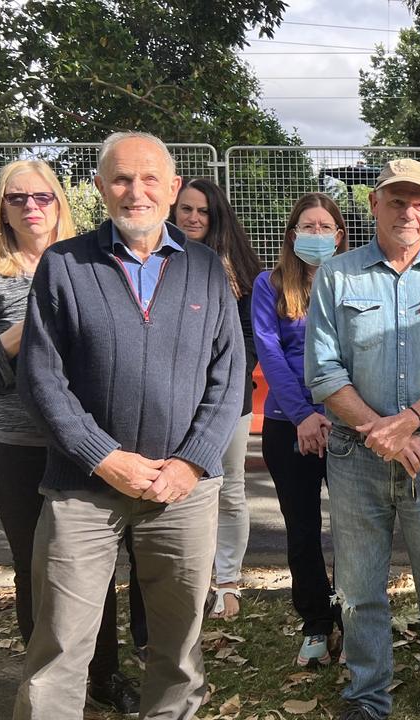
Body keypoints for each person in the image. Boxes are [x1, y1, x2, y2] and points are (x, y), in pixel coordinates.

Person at [13, 131, 245, 719]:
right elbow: (43, 378)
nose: (134, 191)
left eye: (149, 180)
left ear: (172, 190)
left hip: (183, 492)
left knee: (178, 649)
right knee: (60, 648)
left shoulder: (206, 271)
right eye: (120, 178)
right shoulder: (65, 265)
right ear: (98, 187)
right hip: (82, 488)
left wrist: (192, 461)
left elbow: (229, 375)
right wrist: (103, 456)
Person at [306, 158, 420, 720]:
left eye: (418, 202)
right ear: (375, 205)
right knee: (360, 589)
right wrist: (380, 432)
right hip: (356, 458)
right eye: (395, 200)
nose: (406, 211)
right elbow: (323, 371)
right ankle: (366, 696)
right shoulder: (337, 276)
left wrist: (407, 422)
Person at [0, 160, 140, 714]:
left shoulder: (89, 261)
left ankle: (105, 675)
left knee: (94, 567)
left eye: (43, 196)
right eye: (17, 198)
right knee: (37, 569)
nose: (32, 207)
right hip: (20, 447)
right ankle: (47, 685)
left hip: (88, 442)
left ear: (60, 201)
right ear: (2, 208)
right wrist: (30, 327)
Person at [253, 193, 349, 666]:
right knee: (303, 531)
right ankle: (315, 621)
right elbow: (269, 353)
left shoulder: (353, 282)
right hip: (288, 424)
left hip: (345, 423)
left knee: (354, 530)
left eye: (324, 226)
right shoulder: (268, 284)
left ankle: (351, 616)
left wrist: (334, 410)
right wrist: (303, 415)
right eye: (306, 226)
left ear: (339, 235)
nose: (316, 235)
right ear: (293, 235)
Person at [171, 177, 262, 621]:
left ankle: (227, 582)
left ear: (216, 216)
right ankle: (195, 580)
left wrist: (226, 379)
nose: (192, 217)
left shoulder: (241, 269)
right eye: (185, 209)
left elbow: (250, 338)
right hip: (174, 398)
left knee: (229, 488)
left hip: (231, 397)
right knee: (185, 490)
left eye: (202, 211)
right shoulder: (162, 261)